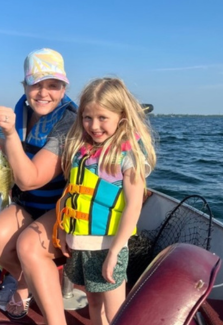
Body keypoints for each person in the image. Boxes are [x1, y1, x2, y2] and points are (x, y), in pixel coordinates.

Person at [18, 77, 157, 325]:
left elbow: (133, 207)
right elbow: (72, 193)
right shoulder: (83, 150)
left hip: (109, 246)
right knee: (93, 302)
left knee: (115, 312)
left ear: (121, 117)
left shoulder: (128, 156)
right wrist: (61, 228)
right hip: (81, 243)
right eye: (87, 118)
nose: (94, 126)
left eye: (103, 118)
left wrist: (115, 251)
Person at [0, 48, 77, 321]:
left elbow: (29, 179)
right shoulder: (23, 111)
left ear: (64, 87)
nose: (44, 93)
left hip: (61, 207)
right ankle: (24, 281)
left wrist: (8, 133)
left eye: (53, 85)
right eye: (36, 84)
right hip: (29, 204)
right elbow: (17, 148)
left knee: (29, 246)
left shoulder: (68, 123)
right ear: (25, 86)